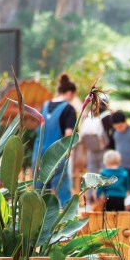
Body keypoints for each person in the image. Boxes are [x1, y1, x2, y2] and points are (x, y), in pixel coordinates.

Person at [36, 74, 78, 204]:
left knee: (40, 189)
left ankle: (38, 214)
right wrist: (68, 151)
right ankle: (66, 215)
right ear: (70, 93)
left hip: (39, 153)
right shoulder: (69, 109)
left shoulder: (45, 106)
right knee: (62, 188)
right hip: (57, 154)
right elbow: (68, 133)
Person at [106, 109, 130, 194]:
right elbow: (112, 148)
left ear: (125, 121)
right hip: (121, 167)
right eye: (116, 127)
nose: (119, 129)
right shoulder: (113, 133)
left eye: (121, 126)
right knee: (122, 190)